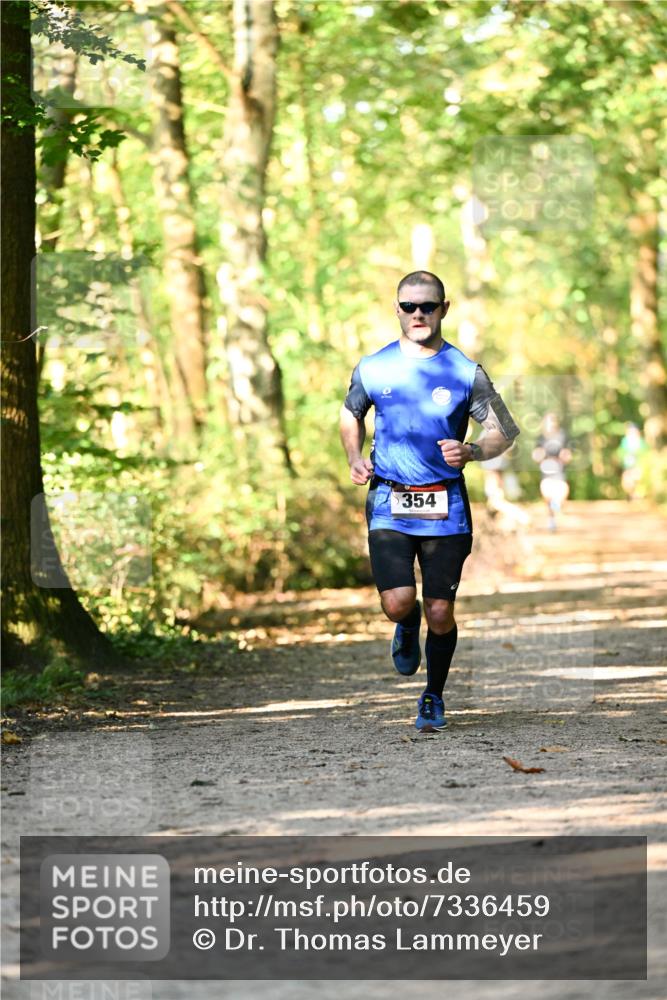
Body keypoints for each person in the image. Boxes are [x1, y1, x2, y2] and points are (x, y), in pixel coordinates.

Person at [339, 271, 520, 733]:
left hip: (446, 507)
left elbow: (504, 430)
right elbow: (350, 413)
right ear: (396, 308)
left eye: (428, 306)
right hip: (388, 500)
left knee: (442, 612)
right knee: (398, 603)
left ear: (444, 308)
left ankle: (433, 696)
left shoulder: (465, 371)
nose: (418, 314)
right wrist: (355, 456)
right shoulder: (373, 367)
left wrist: (474, 450)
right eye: (408, 306)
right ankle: (406, 621)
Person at [531, 412, 571, 531]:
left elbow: (568, 454)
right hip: (546, 470)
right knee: (547, 496)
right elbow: (535, 455)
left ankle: (556, 506)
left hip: (559, 470)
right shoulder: (541, 438)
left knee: (562, 493)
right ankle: (551, 520)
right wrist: (539, 455)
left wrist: (565, 456)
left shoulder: (562, 435)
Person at [617, 422, 647, 501]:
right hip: (628, 466)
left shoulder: (641, 442)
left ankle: (637, 495)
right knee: (627, 482)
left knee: (637, 480)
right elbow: (621, 452)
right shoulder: (625, 441)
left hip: (638, 465)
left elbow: (645, 453)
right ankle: (631, 495)